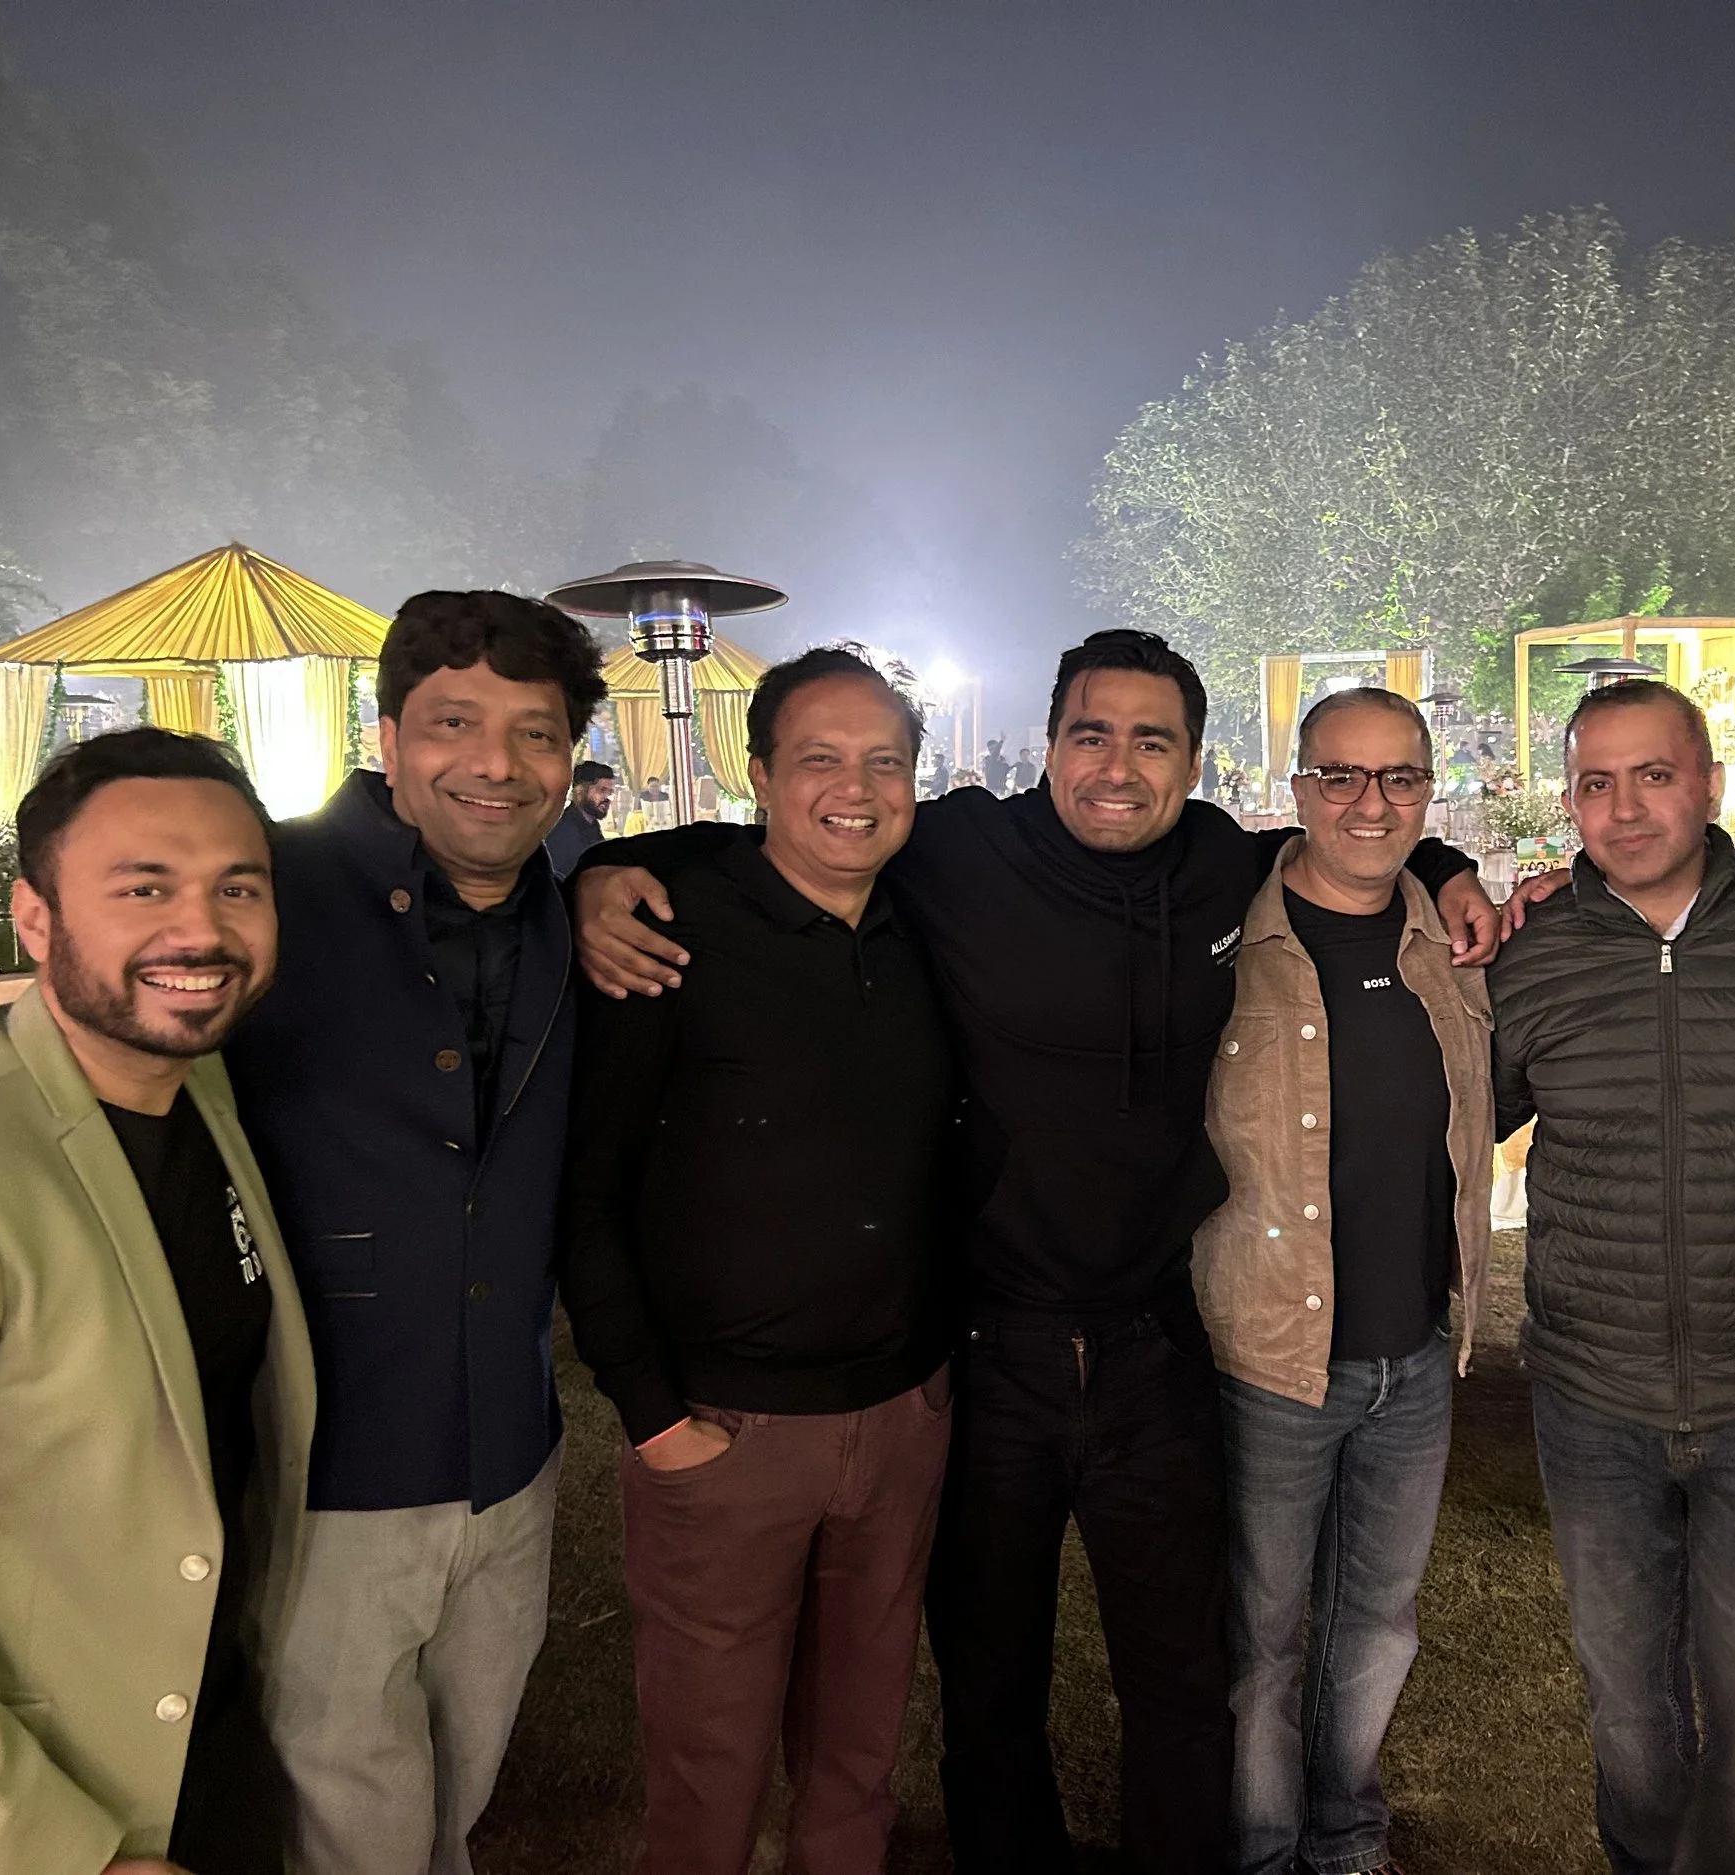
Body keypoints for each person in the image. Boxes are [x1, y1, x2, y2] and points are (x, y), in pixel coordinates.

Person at [572, 628, 1500, 1875]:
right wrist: (610, 865)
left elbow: (1350, 837)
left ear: (1193, 762)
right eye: (1090, 734)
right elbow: (788, 840)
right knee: (989, 1687)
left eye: (1151, 740)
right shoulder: (958, 851)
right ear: (1048, 745)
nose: (1118, 766)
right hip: (984, 1345)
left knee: (1182, 1683)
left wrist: (1441, 858)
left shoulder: (1227, 870)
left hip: (1158, 1345)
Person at [0, 727, 313, 1875]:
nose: (199, 930)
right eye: (143, 887)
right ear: (37, 918)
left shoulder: (198, 1087)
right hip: (28, 1808)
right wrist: (58, 1853)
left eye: (234, 888)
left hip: (208, 1745)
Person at [556, 649, 959, 1874]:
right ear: (761, 775)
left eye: (883, 761)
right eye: (821, 760)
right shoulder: (667, 935)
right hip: (723, 1429)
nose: (855, 787)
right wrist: (653, 1415)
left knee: (857, 1757)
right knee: (707, 1769)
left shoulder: (926, 924)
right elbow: (589, 1188)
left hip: (899, 1417)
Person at [225, 590, 607, 1875]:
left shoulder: (567, 905)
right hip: (329, 1462)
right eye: (455, 722)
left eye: (536, 735)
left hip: (511, 1451)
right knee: (341, 1810)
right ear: (388, 735)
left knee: (457, 1786)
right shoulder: (265, 889)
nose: (496, 764)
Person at [1488, 679, 1735, 1875]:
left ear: (1710, 784)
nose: (1625, 808)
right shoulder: (1533, 957)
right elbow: (1447, 1103)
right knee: (1631, 1724)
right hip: (1593, 1399)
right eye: (1595, 783)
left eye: (1653, 775)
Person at [1193, 688, 1493, 1875]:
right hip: (1269, 1359)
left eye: (1398, 779)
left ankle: (1347, 1834)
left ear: (1428, 791)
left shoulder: (1456, 943)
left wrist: (1466, 875)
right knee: (1261, 1638)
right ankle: (1263, 1850)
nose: (1369, 804)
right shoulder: (1224, 943)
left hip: (1414, 1357)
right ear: (1295, 787)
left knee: (1376, 1624)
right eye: (1339, 777)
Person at [544, 758, 617, 875]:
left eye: (610, 792)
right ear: (579, 792)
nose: (607, 798)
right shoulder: (562, 832)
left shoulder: (592, 825)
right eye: (602, 790)